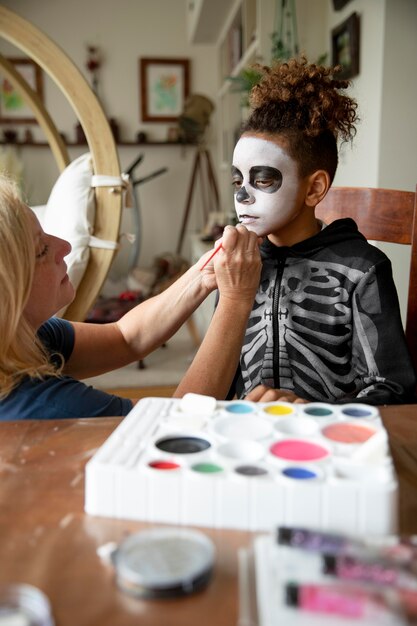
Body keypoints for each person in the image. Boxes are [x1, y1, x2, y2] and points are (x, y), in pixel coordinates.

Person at [227, 56, 416, 405]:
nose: (241, 195)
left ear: (314, 189)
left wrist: (317, 413)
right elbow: (222, 375)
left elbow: (393, 389)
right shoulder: (239, 265)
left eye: (263, 179)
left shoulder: (362, 270)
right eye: (237, 180)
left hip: (334, 443)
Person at [0, 175, 261, 420]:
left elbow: (125, 338)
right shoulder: (43, 406)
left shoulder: (23, 337)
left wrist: (202, 275)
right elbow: (175, 428)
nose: (65, 246)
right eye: (42, 249)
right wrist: (236, 299)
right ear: (8, 293)